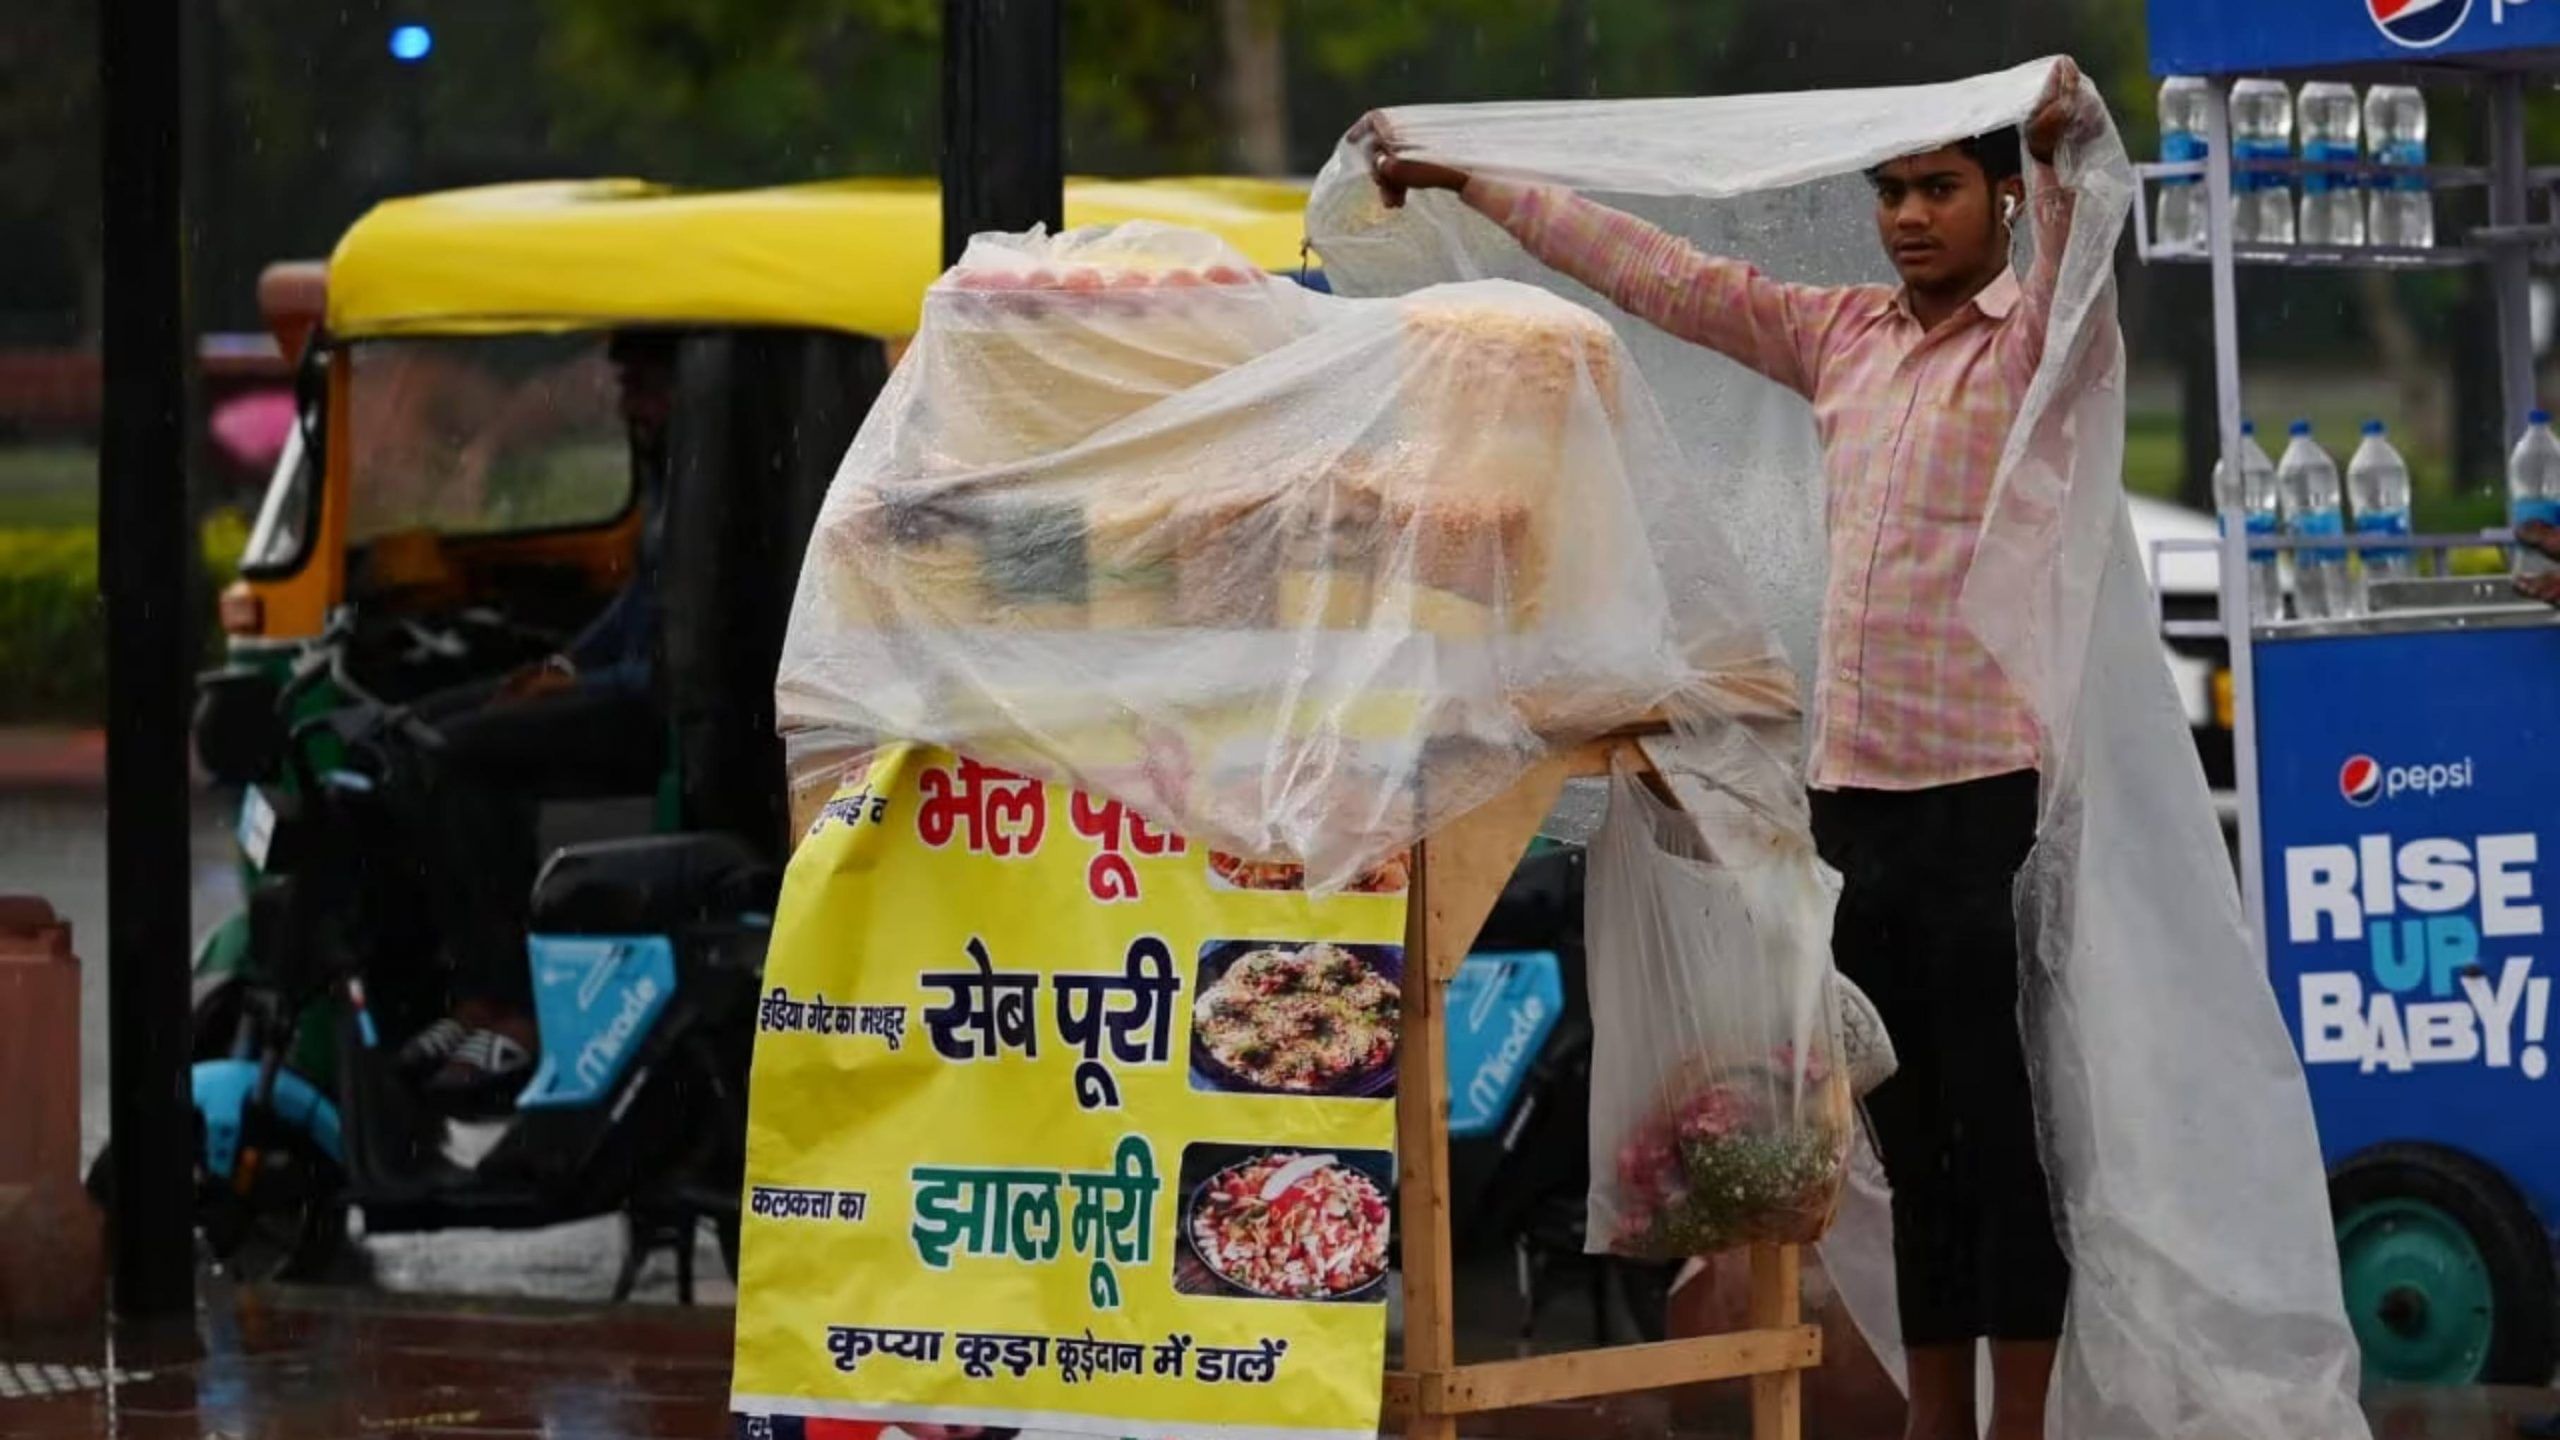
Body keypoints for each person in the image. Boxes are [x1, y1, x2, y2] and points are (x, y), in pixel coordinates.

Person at [1366, 59, 2098, 1440]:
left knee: (2007, 1143)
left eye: (1939, 188)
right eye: (1889, 190)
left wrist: (2061, 149)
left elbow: (2088, 231)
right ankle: (1942, 1419)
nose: (1909, 217)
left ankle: (2026, 1425)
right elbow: (1659, 275)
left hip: (1986, 800)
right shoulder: (1845, 339)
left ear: (1998, 196)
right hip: (1858, 803)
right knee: (1909, 1140)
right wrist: (1473, 179)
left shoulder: (2035, 343)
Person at [392, 334, 677, 1102]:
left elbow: (675, 647)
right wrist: (564, 666)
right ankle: (470, 992)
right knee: (416, 731)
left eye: (644, 385)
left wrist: (594, 680)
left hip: (662, 704)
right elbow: (638, 604)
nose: (629, 403)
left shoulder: (711, 475)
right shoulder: (664, 467)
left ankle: (515, 1006)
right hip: (626, 676)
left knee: (461, 755)